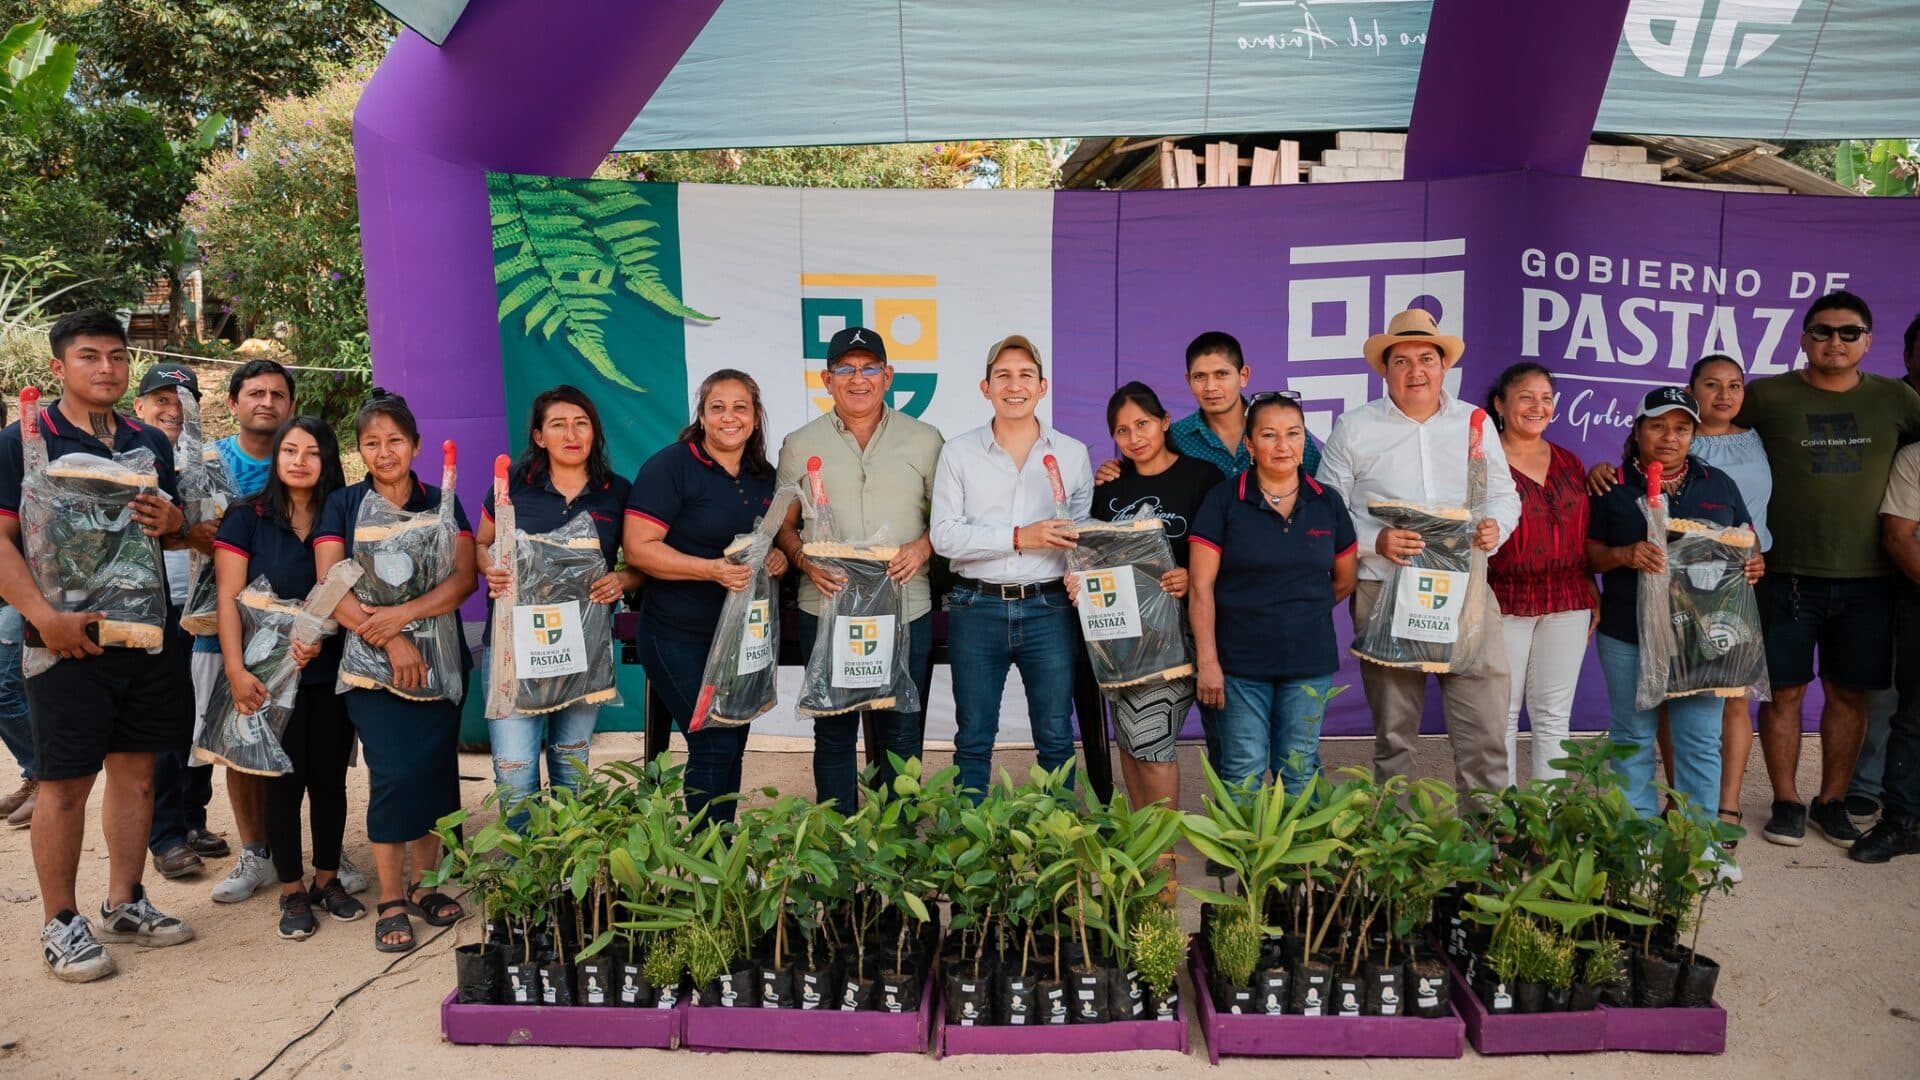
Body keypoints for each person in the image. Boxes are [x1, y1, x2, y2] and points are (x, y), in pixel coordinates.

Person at [0, 310, 194, 982]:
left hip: (144, 635)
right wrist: (42, 617)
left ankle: (125, 901)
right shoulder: (24, 440)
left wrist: (175, 520)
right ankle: (61, 922)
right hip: (64, 641)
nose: (106, 368)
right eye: (89, 356)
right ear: (59, 367)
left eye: (116, 356)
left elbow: (176, 531)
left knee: (137, 774)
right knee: (64, 784)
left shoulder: (148, 440)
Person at [1737, 293, 1920, 848]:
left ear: (1868, 341)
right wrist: (1623, 466)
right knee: (1784, 693)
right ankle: (1787, 801)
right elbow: (1705, 438)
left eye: (1848, 332)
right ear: (1803, 338)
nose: (1834, 341)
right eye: (1821, 331)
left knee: (1850, 695)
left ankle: (1832, 802)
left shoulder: (1897, 399)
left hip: (1870, 579)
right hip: (1786, 574)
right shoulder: (1767, 395)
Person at [1317, 308, 1520, 792]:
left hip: (1466, 589)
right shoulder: (1355, 426)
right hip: (1384, 588)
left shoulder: (1474, 422)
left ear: (1444, 365)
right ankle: (1397, 836)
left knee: (1484, 732)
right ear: (1384, 370)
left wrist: (1496, 526)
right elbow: (1327, 508)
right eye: (1402, 361)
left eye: (1426, 359)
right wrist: (1374, 541)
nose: (1416, 371)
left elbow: (1503, 493)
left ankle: (1485, 835)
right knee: (1394, 735)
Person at [315, 390, 474, 952]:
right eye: (371, 443)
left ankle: (425, 884)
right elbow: (330, 585)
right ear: (359, 450)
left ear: (416, 445)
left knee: (433, 773)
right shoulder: (342, 504)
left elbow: (464, 579)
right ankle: (390, 898)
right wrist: (391, 638)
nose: (384, 452)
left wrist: (403, 616)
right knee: (394, 775)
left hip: (441, 662)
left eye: (395, 441)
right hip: (370, 666)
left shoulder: (443, 500)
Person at [773, 328, 943, 810]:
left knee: (902, 730)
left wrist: (922, 547)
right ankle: (838, 837)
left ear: (888, 376)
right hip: (826, 605)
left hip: (905, 605)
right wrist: (803, 559)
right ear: (826, 380)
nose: (858, 378)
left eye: (869, 368)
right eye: (845, 368)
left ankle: (899, 837)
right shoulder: (798, 444)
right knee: (833, 730)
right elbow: (782, 525)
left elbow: (951, 520)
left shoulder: (925, 440)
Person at [213, 416, 364, 939]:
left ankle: (327, 878)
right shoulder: (247, 516)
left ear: (328, 460)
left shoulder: (342, 514)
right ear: (276, 457)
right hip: (269, 673)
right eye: (289, 450)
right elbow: (229, 599)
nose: (300, 461)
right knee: (281, 781)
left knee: (329, 779)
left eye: (312, 452)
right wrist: (235, 669)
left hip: (330, 666)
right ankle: (291, 889)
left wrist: (323, 632)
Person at [1585, 387, 1762, 832]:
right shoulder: (1610, 485)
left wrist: (1754, 559)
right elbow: (1588, 556)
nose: (1670, 437)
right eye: (1658, 426)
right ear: (1638, 430)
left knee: (1700, 739)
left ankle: (1699, 838)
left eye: (1682, 428)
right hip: (1628, 632)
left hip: (1701, 638)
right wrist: (1625, 554)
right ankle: (1638, 834)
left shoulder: (1717, 482)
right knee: (1632, 736)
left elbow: (1746, 536)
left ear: (1693, 434)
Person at [930, 335, 1093, 797]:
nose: (1014, 385)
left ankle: (1058, 835)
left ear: (1043, 387)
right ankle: (968, 835)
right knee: (973, 737)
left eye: (1026, 375)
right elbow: (944, 536)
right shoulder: (959, 452)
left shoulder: (1072, 454)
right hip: (976, 606)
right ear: (986, 388)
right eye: (1003, 375)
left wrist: (1079, 568)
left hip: (1049, 607)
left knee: (1056, 736)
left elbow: (1081, 539)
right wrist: (1020, 537)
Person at [625, 370, 783, 823]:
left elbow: (767, 541)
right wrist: (710, 569)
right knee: (713, 740)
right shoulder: (670, 467)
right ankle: (706, 854)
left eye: (740, 408)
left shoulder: (763, 475)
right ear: (702, 415)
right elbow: (639, 549)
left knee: (732, 741)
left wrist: (776, 557)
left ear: (756, 417)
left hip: (741, 637)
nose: (729, 417)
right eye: (718, 408)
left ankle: (722, 846)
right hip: (678, 633)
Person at [477, 386, 637, 827]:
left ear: (594, 432)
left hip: (582, 650)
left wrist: (622, 579)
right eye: (558, 425)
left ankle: (570, 866)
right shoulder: (510, 486)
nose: (571, 434)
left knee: (572, 768)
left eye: (581, 424)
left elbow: (640, 561)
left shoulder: (617, 492)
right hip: (512, 649)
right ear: (539, 436)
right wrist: (490, 567)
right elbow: (480, 543)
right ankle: (522, 867)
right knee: (515, 773)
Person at [1188, 392, 1357, 794]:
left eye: (1293, 434)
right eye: (1269, 435)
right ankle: (1240, 841)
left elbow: (1344, 580)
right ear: (1249, 444)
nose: (1283, 445)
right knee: (1241, 771)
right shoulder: (1224, 500)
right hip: (1240, 664)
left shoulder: (1327, 502)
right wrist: (1208, 662)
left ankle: (1299, 841)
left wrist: (1299, 612)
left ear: (1304, 440)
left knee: (1299, 769)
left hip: (1308, 661)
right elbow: (1199, 586)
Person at [1067, 382, 1219, 808]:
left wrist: (1193, 575)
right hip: (1120, 638)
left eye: (1143, 424)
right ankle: (1142, 838)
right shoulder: (1109, 488)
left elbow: (1227, 546)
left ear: (1165, 422)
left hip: (1176, 638)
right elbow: (1091, 557)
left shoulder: (1202, 478)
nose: (1134, 437)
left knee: (1151, 744)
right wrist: (1078, 582)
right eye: (1122, 430)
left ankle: (1161, 846)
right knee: (1131, 744)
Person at [127, 364, 222, 881]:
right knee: (162, 726)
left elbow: (222, 528)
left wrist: (191, 529)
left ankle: (192, 819)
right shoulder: (126, 459)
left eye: (183, 399)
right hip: (148, 610)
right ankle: (164, 835)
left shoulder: (210, 458)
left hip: (202, 609)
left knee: (199, 717)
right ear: (138, 406)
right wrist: (187, 531)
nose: (172, 409)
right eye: (161, 398)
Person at [1485, 363, 1594, 785]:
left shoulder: (1569, 462)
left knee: (1553, 715)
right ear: (1500, 404)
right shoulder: (1482, 461)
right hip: (1503, 599)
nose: (1537, 406)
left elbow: (1581, 536)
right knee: (1501, 715)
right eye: (1526, 397)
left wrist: (1589, 587)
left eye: (1546, 398)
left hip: (1568, 599)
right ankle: (1500, 815)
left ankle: (1546, 815)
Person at [1848, 313, 1920, 827]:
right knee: (1885, 685)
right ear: (1908, 353)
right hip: (1875, 558)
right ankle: (1868, 783)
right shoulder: (1884, 403)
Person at [1094, 330, 1321, 486]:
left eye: (1221, 374)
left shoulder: (1281, 430)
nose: (1211, 387)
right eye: (1200, 376)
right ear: (1188, 381)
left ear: (1243, 375)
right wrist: (1114, 473)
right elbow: (1140, 483)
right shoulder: (1175, 437)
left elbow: (1320, 488)